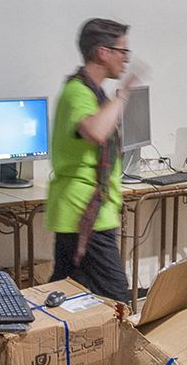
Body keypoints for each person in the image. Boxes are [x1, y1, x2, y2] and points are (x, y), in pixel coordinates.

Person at [48, 17, 141, 301]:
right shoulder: (78, 91)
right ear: (103, 52)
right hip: (85, 213)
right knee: (116, 299)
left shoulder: (93, 91)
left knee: (67, 291)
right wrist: (123, 95)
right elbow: (96, 131)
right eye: (122, 52)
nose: (126, 59)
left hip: (89, 210)